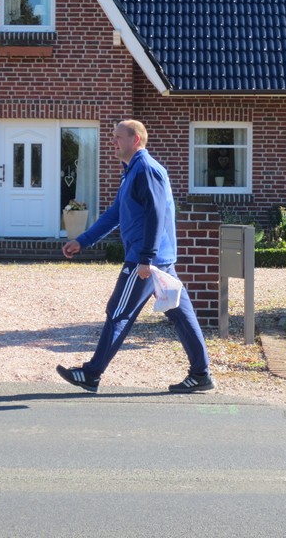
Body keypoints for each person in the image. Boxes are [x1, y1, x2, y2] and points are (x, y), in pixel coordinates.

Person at [57, 119, 216, 394]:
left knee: (118, 313)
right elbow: (115, 214)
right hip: (157, 259)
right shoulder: (131, 171)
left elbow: (156, 213)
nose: (113, 141)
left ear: (136, 140)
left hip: (145, 260)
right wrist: (83, 241)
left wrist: (146, 258)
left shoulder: (146, 169)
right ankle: (201, 375)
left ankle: (91, 374)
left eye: (118, 137)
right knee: (180, 314)